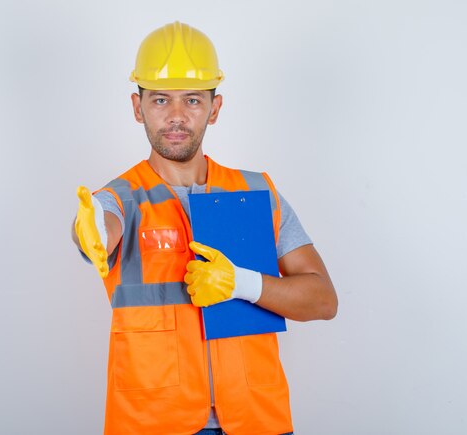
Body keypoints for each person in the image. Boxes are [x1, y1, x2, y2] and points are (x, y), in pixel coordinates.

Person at [73, 21, 338, 435]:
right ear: (137, 107)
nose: (177, 116)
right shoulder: (120, 197)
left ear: (214, 109)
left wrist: (241, 284)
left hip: (256, 421)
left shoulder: (256, 192)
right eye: (161, 99)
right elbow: (98, 228)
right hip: (153, 423)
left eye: (193, 100)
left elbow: (323, 301)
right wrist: (88, 231)